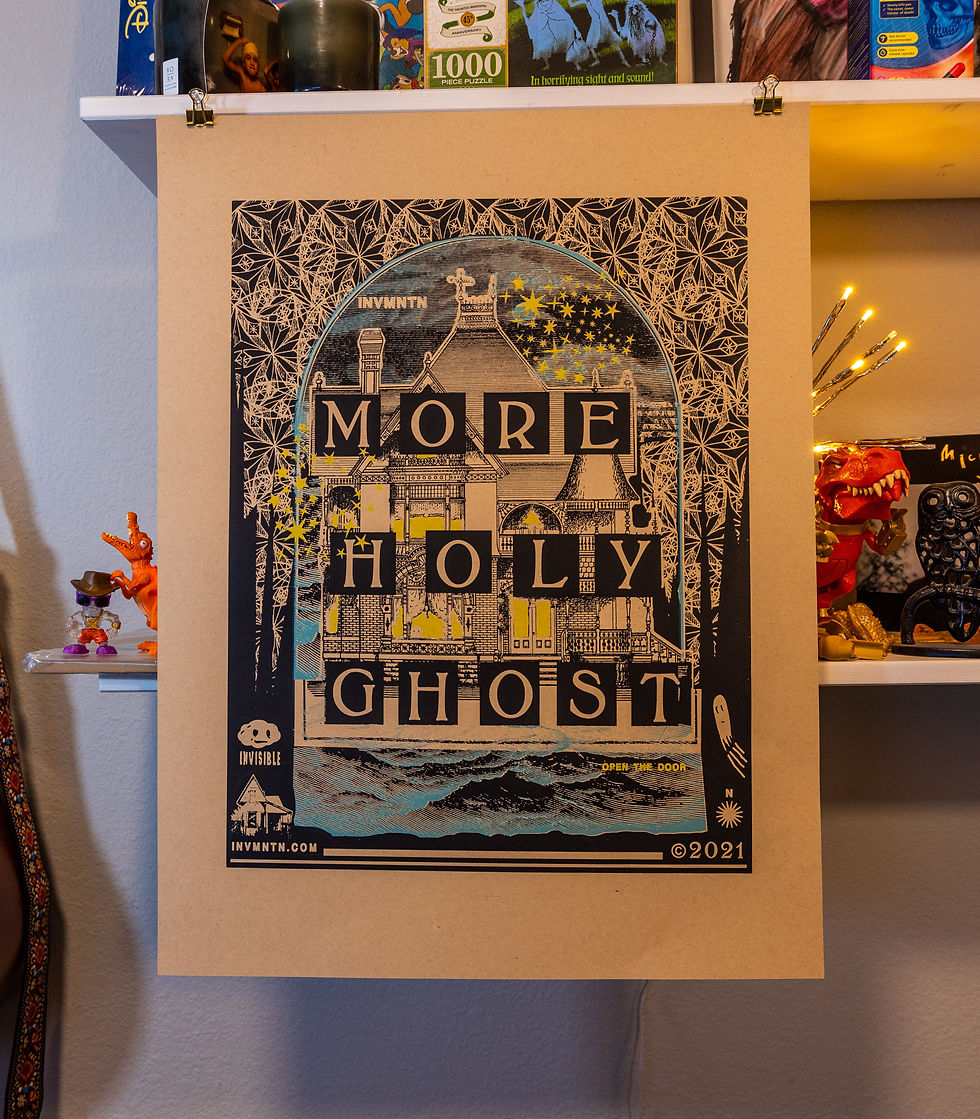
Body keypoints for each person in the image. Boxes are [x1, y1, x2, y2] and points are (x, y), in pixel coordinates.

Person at [63, 570, 121, 656]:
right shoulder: (80, 614)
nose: (92, 605)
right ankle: (80, 647)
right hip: (85, 632)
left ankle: (104, 648)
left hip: (98, 632)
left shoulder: (103, 614)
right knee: (81, 640)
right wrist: (71, 627)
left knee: (103, 642)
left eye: (100, 601)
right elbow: (71, 620)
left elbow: (114, 618)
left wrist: (114, 629)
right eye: (84, 599)